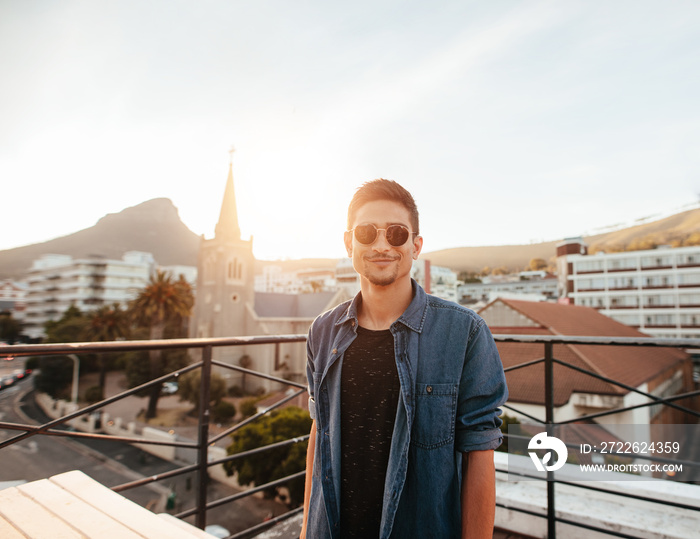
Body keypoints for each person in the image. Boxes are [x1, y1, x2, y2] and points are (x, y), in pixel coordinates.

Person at [301, 179, 508, 539]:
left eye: (396, 234)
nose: (382, 245)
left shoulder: (464, 333)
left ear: (416, 245)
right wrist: (306, 530)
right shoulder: (323, 331)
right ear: (349, 242)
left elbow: (479, 451)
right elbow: (319, 432)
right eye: (367, 233)